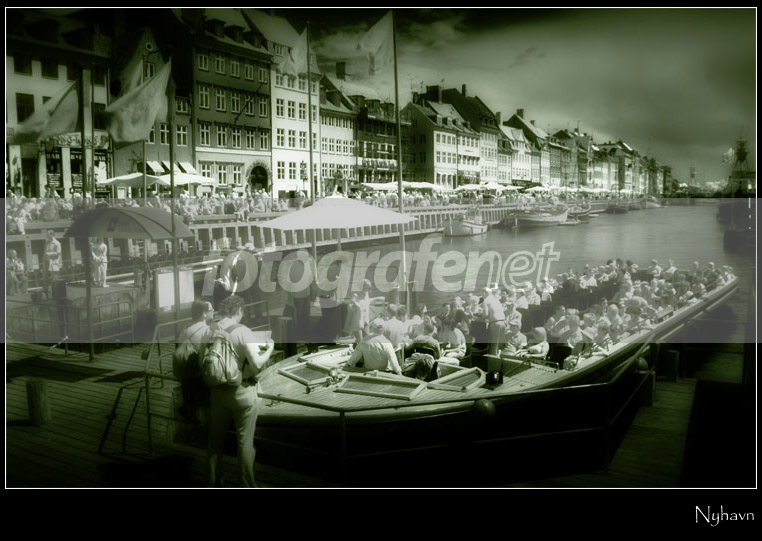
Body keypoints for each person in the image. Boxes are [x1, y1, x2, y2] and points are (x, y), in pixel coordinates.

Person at [207, 295, 275, 488]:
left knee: (214, 443)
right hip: (241, 391)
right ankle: (246, 484)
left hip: (216, 393)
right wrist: (269, 349)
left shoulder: (210, 330)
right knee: (244, 443)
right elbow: (257, 364)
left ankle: (213, 481)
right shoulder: (243, 331)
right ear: (239, 310)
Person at [175, 300, 216, 423]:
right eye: (211, 310)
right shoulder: (207, 330)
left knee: (190, 399)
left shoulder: (186, 328)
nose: (214, 311)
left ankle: (190, 415)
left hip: (186, 370)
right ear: (204, 313)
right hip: (200, 373)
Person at [483, 283, 506, 355]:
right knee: (499, 346)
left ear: (485, 293)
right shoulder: (496, 299)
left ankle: (493, 360)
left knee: (493, 347)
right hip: (503, 322)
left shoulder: (486, 300)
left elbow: (485, 315)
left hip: (495, 324)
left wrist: (479, 316)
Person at [44, 229, 62, 294]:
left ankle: (56, 291)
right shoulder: (47, 242)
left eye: (47, 235)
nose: (46, 236)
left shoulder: (57, 243)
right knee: (48, 277)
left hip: (54, 262)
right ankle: (49, 290)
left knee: (54, 277)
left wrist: (49, 254)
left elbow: (58, 252)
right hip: (47, 262)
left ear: (52, 235)